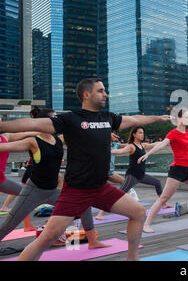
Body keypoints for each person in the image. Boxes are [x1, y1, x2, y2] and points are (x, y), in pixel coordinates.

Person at [0, 78, 172, 261]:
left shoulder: (108, 118)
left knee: (138, 212)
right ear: (86, 94)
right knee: (46, 238)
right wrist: (2, 126)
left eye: (105, 90)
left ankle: (132, 258)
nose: (105, 94)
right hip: (76, 191)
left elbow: (135, 119)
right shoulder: (70, 119)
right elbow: (30, 124)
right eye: (100, 90)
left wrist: (157, 118)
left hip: (101, 188)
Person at [0, 106, 108, 252]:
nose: (59, 121)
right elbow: (6, 147)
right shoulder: (33, 141)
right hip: (33, 191)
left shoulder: (58, 140)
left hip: (52, 191)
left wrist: (106, 136)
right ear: (46, 122)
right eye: (55, 119)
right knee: (8, 225)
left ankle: (92, 241)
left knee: (84, 205)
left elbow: (84, 136)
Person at [113, 127, 171, 209]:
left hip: (141, 175)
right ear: (134, 135)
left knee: (157, 182)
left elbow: (154, 144)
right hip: (132, 176)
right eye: (140, 133)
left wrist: (167, 141)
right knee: (121, 193)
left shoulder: (143, 145)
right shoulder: (131, 146)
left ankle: (163, 204)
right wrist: (108, 151)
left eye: (143, 133)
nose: (142, 135)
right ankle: (102, 211)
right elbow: (120, 151)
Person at [95, 134, 127, 220]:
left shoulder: (116, 145)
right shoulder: (102, 144)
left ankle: (123, 204)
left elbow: (126, 145)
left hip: (110, 171)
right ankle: (100, 213)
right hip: (103, 171)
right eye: (113, 135)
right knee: (125, 183)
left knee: (125, 183)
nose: (116, 136)